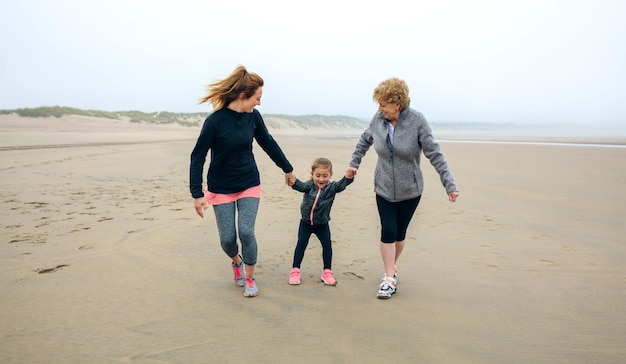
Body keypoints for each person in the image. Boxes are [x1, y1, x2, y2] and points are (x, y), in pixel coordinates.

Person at [347, 78, 459, 299]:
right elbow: (364, 140)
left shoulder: (417, 121)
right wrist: (354, 163)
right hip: (384, 187)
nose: (379, 109)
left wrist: (450, 184)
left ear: (397, 103)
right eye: (378, 104)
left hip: (411, 190)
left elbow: (434, 154)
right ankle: (389, 279)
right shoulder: (378, 120)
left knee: (399, 235)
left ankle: (392, 266)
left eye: (383, 104)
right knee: (387, 231)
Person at [190, 65, 296, 298]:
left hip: (249, 182)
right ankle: (236, 262)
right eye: (257, 98)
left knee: (246, 232)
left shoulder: (253, 118)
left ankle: (249, 277)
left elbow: (267, 142)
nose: (259, 103)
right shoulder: (215, 121)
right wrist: (197, 194)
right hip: (221, 187)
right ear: (242, 96)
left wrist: (287, 169)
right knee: (228, 239)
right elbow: (198, 156)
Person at [288, 158, 355, 286]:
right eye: (317, 175)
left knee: (327, 245)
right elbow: (300, 186)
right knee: (301, 244)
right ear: (312, 174)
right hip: (306, 223)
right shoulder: (309, 186)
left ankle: (327, 272)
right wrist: (293, 182)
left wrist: (348, 177)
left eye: (325, 176)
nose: (321, 179)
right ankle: (295, 271)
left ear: (331, 175)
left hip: (322, 224)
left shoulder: (332, 187)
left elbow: (342, 185)